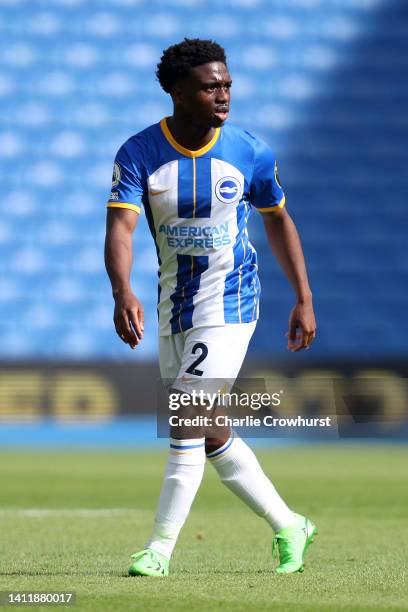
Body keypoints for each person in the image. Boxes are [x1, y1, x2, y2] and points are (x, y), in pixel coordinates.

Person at [104, 38, 317, 577]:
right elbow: (121, 227)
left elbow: (277, 219)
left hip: (231, 302)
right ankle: (290, 524)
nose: (223, 95)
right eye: (209, 86)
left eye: (226, 84)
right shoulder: (139, 153)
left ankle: (159, 549)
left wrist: (303, 297)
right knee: (211, 427)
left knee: (183, 417)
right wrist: (122, 289)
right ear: (177, 92)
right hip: (174, 304)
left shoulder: (249, 150)